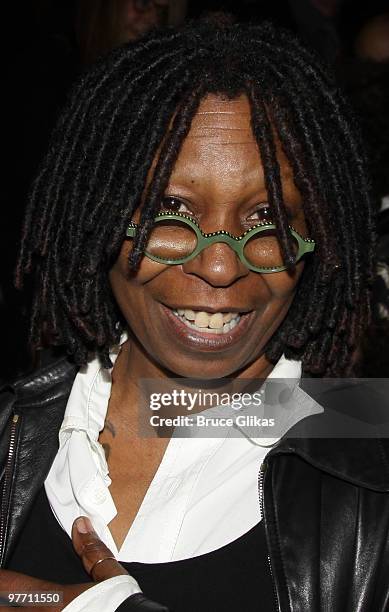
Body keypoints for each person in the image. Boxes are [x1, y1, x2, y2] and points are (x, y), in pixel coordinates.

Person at [0, 18, 388, 612]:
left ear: (320, 240)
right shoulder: (16, 427)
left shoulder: (369, 459)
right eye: (171, 209)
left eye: (266, 220)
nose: (218, 267)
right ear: (99, 213)